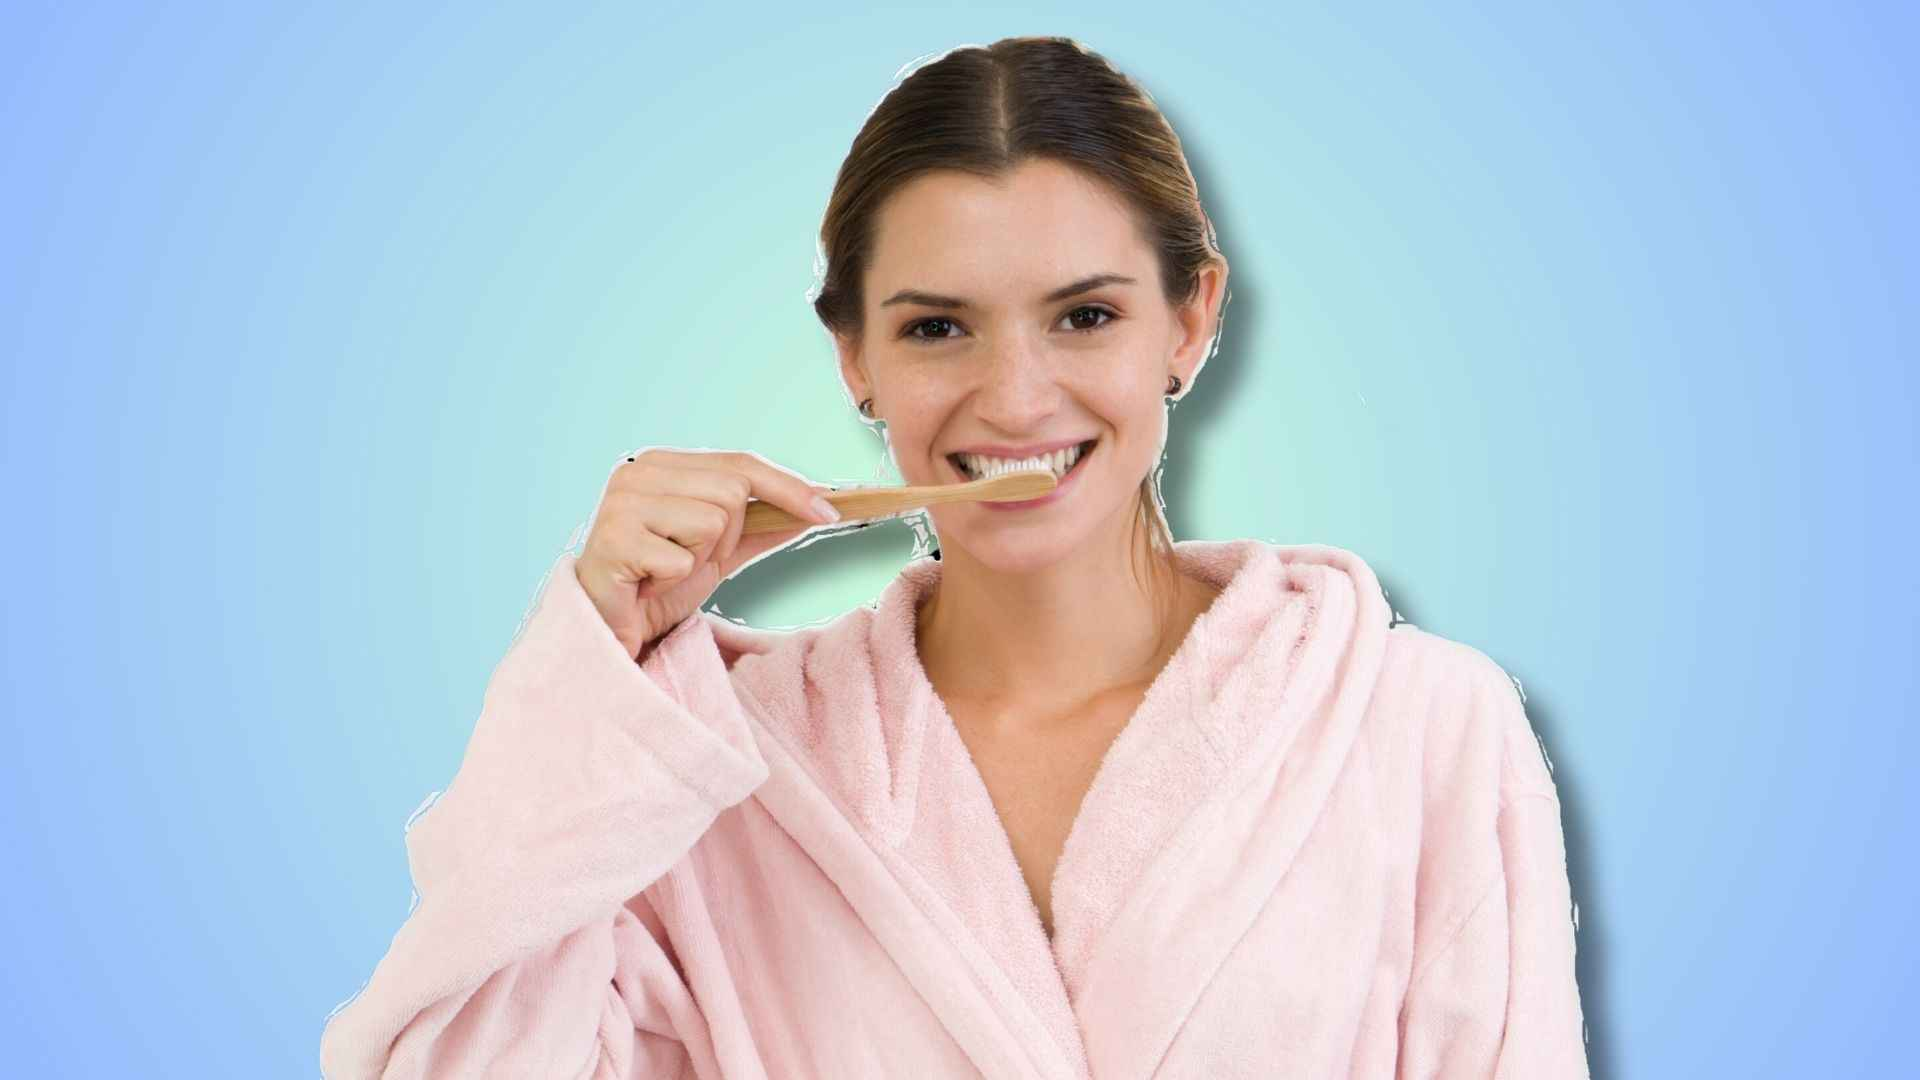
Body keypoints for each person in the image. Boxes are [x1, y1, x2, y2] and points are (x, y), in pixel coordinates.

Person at [321, 36, 1589, 1078]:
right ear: (856, 358)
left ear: (1190, 323)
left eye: (1085, 315)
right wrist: (603, 661)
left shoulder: (1419, 731)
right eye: (938, 329)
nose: (1014, 396)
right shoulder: (718, 772)